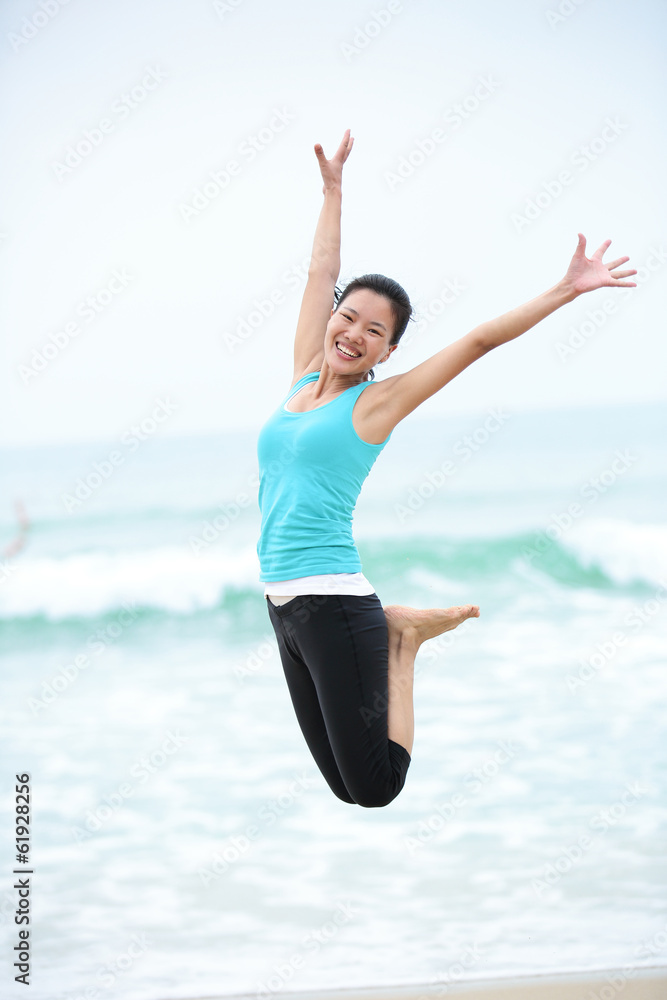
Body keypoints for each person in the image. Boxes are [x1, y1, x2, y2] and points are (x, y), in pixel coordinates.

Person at [255, 128, 636, 809]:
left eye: (374, 331)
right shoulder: (298, 379)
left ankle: (402, 640)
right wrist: (333, 191)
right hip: (282, 604)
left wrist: (565, 291)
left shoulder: (377, 404)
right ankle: (397, 631)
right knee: (346, 791)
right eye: (348, 317)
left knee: (376, 788)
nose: (353, 332)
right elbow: (319, 273)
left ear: (388, 349)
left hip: (335, 602)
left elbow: (478, 341)